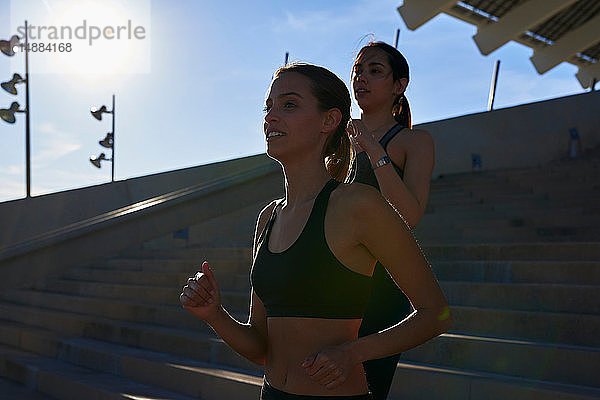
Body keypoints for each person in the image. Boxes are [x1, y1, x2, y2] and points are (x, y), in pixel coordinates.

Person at [180, 62, 450, 400]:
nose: (270, 117)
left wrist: (353, 352)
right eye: (269, 107)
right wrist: (214, 315)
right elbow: (261, 348)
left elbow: (436, 315)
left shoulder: (357, 205)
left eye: (289, 104)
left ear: (329, 120)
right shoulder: (268, 218)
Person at [348, 41, 436, 400]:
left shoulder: (414, 142)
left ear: (399, 85)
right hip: (334, 281)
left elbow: (411, 215)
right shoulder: (338, 141)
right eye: (357, 70)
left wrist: (375, 151)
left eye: (374, 71)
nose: (361, 78)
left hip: (381, 288)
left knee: (365, 390)